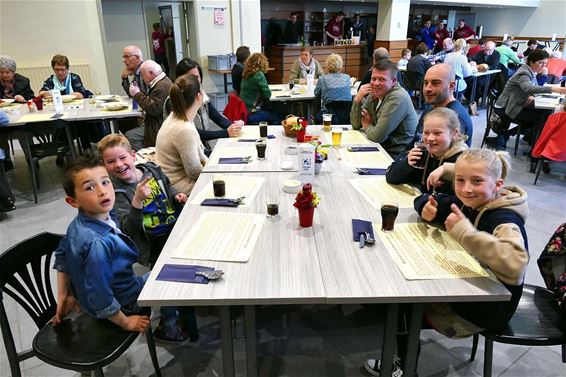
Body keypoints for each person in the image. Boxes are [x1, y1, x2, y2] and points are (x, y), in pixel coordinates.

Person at [378, 149, 528, 377]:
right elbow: (433, 199)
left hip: (488, 308)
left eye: (476, 181)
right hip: (470, 290)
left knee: (403, 303)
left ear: (497, 185)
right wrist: (426, 208)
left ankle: (404, 369)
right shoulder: (473, 200)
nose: (466, 188)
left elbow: (516, 264)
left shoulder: (505, 219)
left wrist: (466, 234)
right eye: (460, 180)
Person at [97, 134, 198, 342]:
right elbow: (126, 230)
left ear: (133, 156)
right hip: (150, 242)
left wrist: (176, 196)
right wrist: (137, 201)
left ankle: (189, 296)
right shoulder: (114, 192)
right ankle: (167, 324)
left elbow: (168, 187)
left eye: (123, 158)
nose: (118, 164)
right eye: (111, 161)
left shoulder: (152, 169)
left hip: (174, 225)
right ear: (104, 165)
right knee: (171, 268)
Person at [52, 156, 150, 334]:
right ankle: (170, 326)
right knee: (170, 275)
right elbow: (100, 296)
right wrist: (126, 322)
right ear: (73, 201)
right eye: (90, 187)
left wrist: (63, 295)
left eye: (105, 182)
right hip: (124, 304)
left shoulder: (82, 222)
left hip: (102, 297)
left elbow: (62, 255)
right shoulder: (96, 243)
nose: (102, 191)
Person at [487, 49, 566, 150]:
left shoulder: (530, 71)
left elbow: (534, 87)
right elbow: (528, 88)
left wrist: (532, 95)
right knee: (544, 117)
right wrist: (552, 88)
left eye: (545, 63)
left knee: (545, 115)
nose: (543, 66)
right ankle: (530, 142)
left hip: (515, 104)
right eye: (540, 63)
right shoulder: (524, 72)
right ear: (531, 62)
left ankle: (513, 136)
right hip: (507, 108)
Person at [386, 108, 467, 198]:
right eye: (426, 133)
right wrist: (406, 163)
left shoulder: (463, 160)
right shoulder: (423, 152)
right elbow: (391, 177)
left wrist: (446, 170)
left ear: (454, 134)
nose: (430, 138)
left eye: (437, 133)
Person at [351, 59, 417, 157]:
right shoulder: (376, 92)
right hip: (380, 147)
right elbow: (356, 125)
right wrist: (357, 99)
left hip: (396, 155)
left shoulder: (398, 97)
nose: (376, 83)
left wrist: (367, 124)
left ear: (393, 81)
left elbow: (377, 136)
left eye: (382, 79)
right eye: (373, 79)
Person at [175, 58, 243, 152]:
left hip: (202, 148)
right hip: (187, 151)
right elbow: (192, 132)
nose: (195, 81)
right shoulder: (175, 100)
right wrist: (226, 132)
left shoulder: (201, 95)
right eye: (191, 77)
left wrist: (234, 126)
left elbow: (217, 118)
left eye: (197, 77)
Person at [155, 74, 207, 194]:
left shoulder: (175, 117)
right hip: (179, 187)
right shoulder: (184, 129)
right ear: (199, 96)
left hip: (171, 180)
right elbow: (194, 172)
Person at [415, 64, 474, 146]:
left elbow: (448, 157)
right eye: (425, 83)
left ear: (451, 86)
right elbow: (414, 143)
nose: (428, 88)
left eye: (435, 83)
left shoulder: (456, 117)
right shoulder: (431, 109)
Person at [126, 60, 172, 150]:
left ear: (151, 73)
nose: (142, 78)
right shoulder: (161, 82)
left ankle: (147, 158)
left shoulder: (162, 86)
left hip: (159, 126)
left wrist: (137, 94)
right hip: (156, 122)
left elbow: (154, 110)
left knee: (130, 135)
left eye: (143, 75)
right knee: (128, 123)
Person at [0, 55, 34, 170]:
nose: (5, 75)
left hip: (19, 115)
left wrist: (23, 99)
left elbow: (31, 98)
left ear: (13, 72)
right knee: (0, 133)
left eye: (8, 72)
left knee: (23, 131)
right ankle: (6, 160)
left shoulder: (23, 81)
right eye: (2, 72)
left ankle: (30, 157)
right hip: (3, 117)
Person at [239, 52, 280, 124]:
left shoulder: (246, 73)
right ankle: (271, 133)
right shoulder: (258, 74)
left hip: (243, 110)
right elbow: (267, 94)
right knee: (277, 115)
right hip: (251, 112)